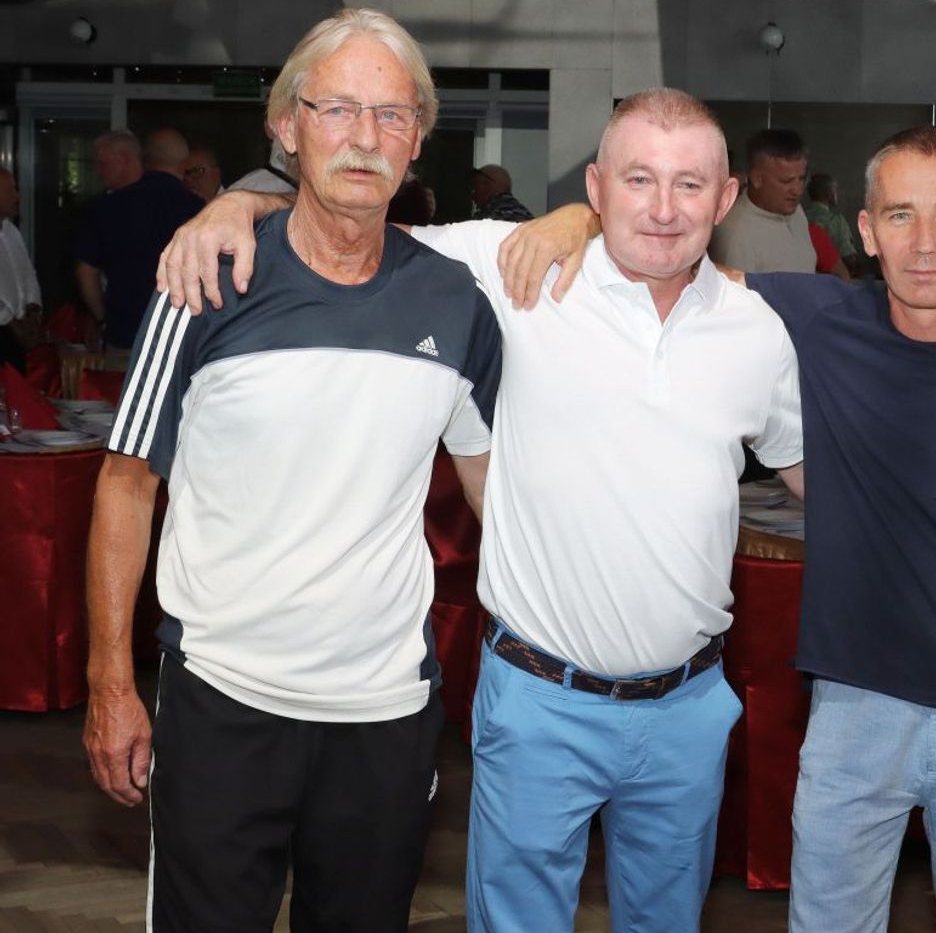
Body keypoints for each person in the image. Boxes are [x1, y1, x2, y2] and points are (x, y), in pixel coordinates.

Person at [154, 86, 805, 933]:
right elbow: (347, 223)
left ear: (725, 199)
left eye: (690, 184)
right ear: (596, 187)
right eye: (639, 179)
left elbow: (815, 478)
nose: (663, 208)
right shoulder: (512, 265)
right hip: (540, 700)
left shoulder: (756, 331)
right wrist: (237, 205)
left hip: (688, 708)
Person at [486, 125, 936, 933]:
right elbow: (668, 251)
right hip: (853, 704)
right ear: (865, 230)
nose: (924, 242)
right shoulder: (815, 315)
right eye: (900, 215)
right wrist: (579, 218)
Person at [82, 7, 502, 933]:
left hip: (386, 714)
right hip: (223, 704)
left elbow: (493, 494)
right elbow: (125, 483)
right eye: (338, 108)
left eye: (392, 115)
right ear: (287, 126)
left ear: (418, 141)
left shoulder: (455, 299)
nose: (365, 137)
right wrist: (111, 683)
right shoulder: (204, 279)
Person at [73, 128, 203, 350]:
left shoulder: (108, 207)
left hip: (125, 335)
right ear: (184, 164)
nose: (98, 171)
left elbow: (86, 271)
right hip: (181, 338)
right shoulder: (198, 210)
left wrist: (103, 318)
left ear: (145, 160)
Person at [710, 128, 816, 273]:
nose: (798, 190)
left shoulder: (795, 210)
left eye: (801, 179)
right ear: (756, 179)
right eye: (786, 181)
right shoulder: (735, 235)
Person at [0, 166, 43, 369]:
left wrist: (33, 311)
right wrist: (11, 323)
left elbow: (28, 275)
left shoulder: (12, 232)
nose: (17, 197)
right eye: (10, 190)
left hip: (19, 332)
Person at [803, 171, 858, 268]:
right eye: (835, 190)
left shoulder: (800, 217)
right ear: (829, 193)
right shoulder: (835, 221)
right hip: (831, 274)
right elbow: (849, 258)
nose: (837, 194)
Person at [470, 163, 535, 222]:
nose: (473, 196)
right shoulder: (527, 218)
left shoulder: (490, 218)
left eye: (475, 188)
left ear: (487, 185)